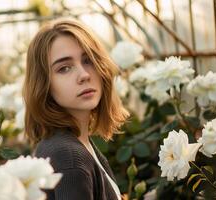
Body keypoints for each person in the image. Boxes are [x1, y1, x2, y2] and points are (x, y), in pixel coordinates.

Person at [23, 18, 129, 200]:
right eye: (64, 68)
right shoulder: (69, 157)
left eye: (88, 61)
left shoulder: (75, 143)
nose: (84, 75)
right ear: (44, 84)